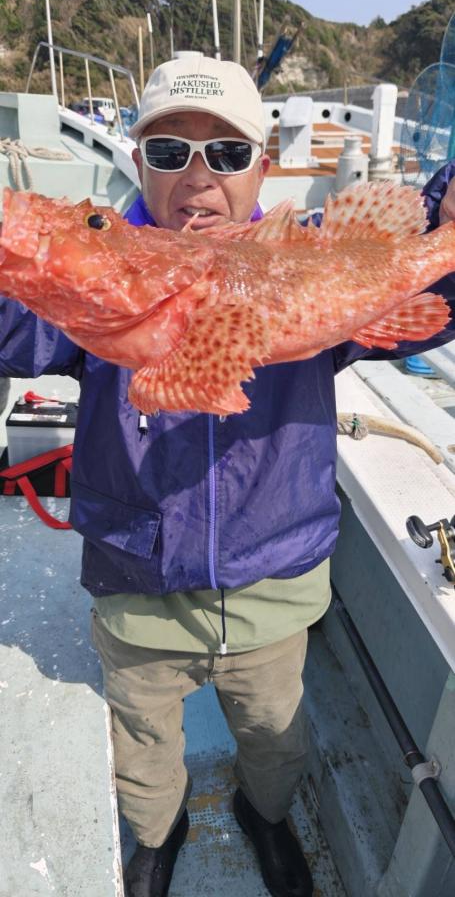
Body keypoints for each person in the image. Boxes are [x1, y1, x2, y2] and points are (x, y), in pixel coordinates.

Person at [2, 54, 455, 897]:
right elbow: (17, 316)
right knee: (143, 743)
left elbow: (429, 294)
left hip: (273, 582)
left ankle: (265, 815)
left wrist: (442, 211)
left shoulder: (309, 255)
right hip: (136, 582)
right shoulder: (103, 276)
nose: (198, 176)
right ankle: (156, 832)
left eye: (227, 153)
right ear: (138, 162)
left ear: (262, 167)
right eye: (169, 152)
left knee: (275, 736)